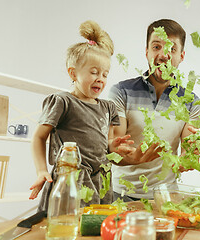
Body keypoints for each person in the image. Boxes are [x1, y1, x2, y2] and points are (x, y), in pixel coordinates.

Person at [29, 20, 133, 211]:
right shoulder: (63, 102)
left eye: (105, 74)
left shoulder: (108, 107)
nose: (100, 79)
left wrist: (113, 146)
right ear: (73, 73)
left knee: (95, 226)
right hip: (72, 179)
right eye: (94, 72)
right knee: (66, 225)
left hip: (100, 180)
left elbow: (106, 143)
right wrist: (42, 170)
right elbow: (38, 137)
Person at [108, 19, 200, 201]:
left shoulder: (192, 102)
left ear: (181, 56)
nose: (163, 55)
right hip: (120, 195)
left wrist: (190, 158)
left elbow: (188, 152)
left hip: (166, 197)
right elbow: (114, 148)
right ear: (147, 52)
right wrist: (134, 158)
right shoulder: (121, 92)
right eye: (156, 47)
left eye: (171, 49)